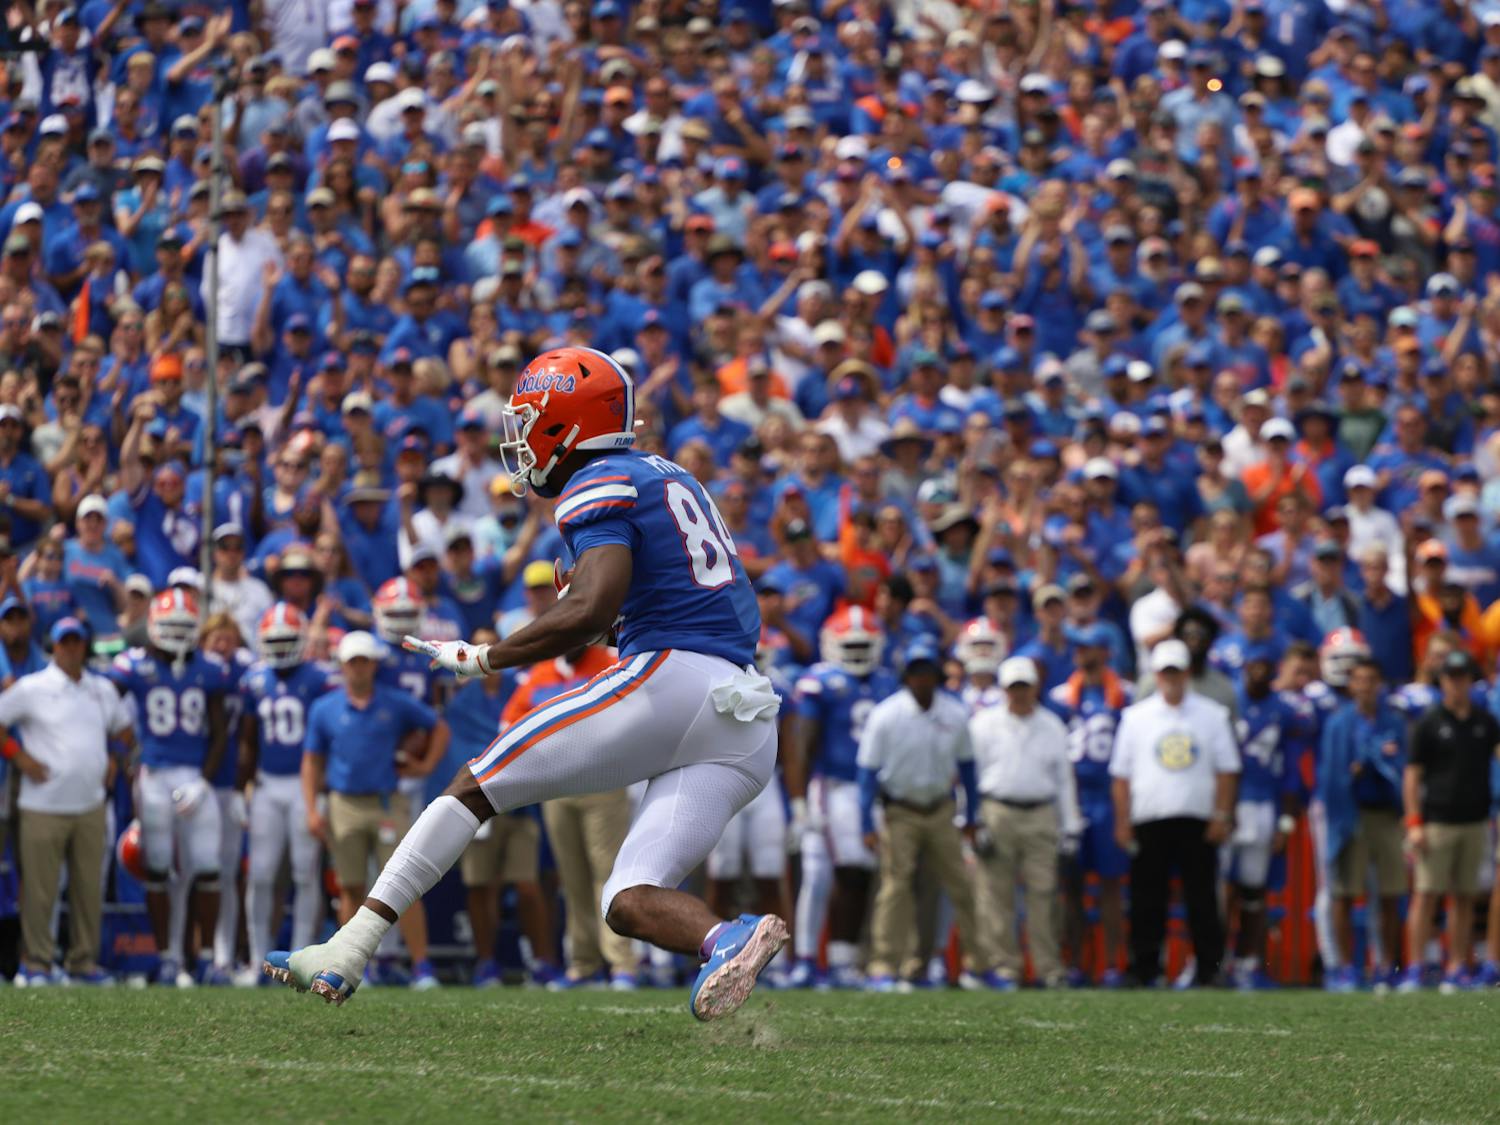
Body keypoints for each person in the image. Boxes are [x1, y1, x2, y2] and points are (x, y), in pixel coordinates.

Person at [267, 348, 784, 1023]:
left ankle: (349, 944)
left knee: (474, 784)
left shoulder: (599, 479)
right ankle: (728, 938)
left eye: (532, 420)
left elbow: (590, 608)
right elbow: (657, 599)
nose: (521, 438)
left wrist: (487, 656)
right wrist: (602, 620)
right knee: (627, 898)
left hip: (680, 679)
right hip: (745, 714)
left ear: (566, 426)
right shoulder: (665, 474)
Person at [300, 629, 449, 990]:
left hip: (386, 802)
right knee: (350, 887)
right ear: (343, 666)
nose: (359, 669)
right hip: (344, 803)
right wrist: (311, 808)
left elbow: (438, 728)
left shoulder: (394, 702)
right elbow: (312, 761)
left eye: (364, 661)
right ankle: (350, 965)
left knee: (405, 885)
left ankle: (422, 966)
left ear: (373, 665)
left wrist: (426, 766)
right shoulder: (325, 708)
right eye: (353, 662)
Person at [106, 589, 234, 985]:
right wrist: (126, 756)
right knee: (158, 868)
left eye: (184, 627)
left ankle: (208, 959)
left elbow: (219, 732)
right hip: (155, 775)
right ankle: (167, 958)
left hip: (194, 776)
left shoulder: (209, 669)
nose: (177, 635)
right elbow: (109, 711)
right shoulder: (133, 666)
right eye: (171, 626)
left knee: (209, 867)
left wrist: (204, 780)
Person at [0, 618, 135, 985]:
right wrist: (20, 757)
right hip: (42, 804)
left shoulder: (101, 689)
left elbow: (124, 731)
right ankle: (37, 963)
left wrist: (113, 758)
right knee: (41, 892)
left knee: (87, 889)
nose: (72, 648)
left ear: (85, 646)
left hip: (90, 803)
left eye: (77, 641)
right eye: (65, 641)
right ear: (54, 646)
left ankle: (83, 963)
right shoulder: (33, 688)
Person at [1109, 639, 1239, 988]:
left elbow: (1227, 770)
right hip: (1149, 818)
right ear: (1156, 674)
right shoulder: (1136, 717)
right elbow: (1121, 775)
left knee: (1202, 900)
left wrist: (1221, 816)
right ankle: (1145, 968)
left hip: (1197, 818)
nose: (1171, 678)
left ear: (1186, 673)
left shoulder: (1212, 715)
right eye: (1165, 671)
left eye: (1176, 671)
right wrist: (1122, 821)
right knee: (1146, 898)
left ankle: (1210, 969)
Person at [856, 638, 983, 992]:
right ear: (907, 676)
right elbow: (867, 773)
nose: (923, 678)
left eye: (928, 671)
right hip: (901, 811)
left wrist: (972, 816)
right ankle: (883, 965)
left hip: (942, 809)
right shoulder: (886, 715)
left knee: (960, 884)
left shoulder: (955, 713)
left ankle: (978, 964)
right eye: (916, 672)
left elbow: (969, 769)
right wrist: (866, 823)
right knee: (895, 887)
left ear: (937, 675)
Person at [787, 606, 899, 988]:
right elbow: (802, 743)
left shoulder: (886, 683)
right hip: (831, 786)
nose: (855, 652)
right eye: (848, 644)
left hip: (869, 790)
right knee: (820, 873)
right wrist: (800, 801)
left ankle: (841, 960)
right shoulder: (819, 680)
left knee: (859, 871)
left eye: (862, 644)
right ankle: (805, 960)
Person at [451, 628, 559, 990]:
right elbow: (460, 747)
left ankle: (543, 963)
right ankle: (486, 963)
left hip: (521, 801)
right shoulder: (463, 700)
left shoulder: (520, 685)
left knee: (527, 885)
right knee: (481, 886)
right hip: (482, 800)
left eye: (489, 645)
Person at [237, 602, 337, 985]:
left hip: (303, 786)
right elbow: (247, 739)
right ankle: (257, 961)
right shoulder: (254, 679)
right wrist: (237, 790)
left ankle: (297, 963)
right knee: (261, 875)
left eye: (286, 640)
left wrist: (322, 789)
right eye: (273, 640)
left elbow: (328, 738)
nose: (279, 648)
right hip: (265, 784)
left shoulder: (319, 677)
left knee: (305, 873)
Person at [969, 656, 1081, 989]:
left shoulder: (1052, 725)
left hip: (1040, 812)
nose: (1019, 693)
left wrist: (1070, 827)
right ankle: (1005, 967)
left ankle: (1047, 967)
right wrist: (974, 822)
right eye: (1013, 687)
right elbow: (969, 777)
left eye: (1024, 687)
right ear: (1004, 689)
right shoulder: (983, 724)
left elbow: (1064, 780)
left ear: (1035, 688)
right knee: (995, 893)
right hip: (997, 810)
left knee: (1044, 892)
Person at [1401, 651, 1500, 992]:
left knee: (1464, 897)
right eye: (1451, 676)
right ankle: (1416, 966)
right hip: (1437, 820)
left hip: (1475, 820)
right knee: (1427, 894)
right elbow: (1413, 775)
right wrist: (1414, 821)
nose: (1457, 683)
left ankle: (1457, 965)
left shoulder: (1485, 722)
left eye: (1462, 676)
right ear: (1442, 680)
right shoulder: (1429, 722)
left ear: (1470, 681)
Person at [1049, 622, 1134, 986]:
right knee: (1071, 886)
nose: (1081, 653)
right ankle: (1077, 963)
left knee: (1112, 885)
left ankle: (1114, 962)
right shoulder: (1060, 696)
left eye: (1089, 647)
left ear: (1106, 651)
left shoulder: (1126, 696)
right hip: (1071, 795)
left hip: (1108, 797)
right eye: (1078, 647)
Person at [1317, 656, 1407, 992]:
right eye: (1359, 680)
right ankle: (1342, 968)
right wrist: (1349, 776)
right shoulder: (1340, 724)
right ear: (1351, 685)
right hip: (1351, 812)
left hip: (1385, 813)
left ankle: (1387, 965)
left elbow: (1403, 767)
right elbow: (1329, 774)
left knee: (1390, 891)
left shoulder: (1392, 722)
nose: (1366, 687)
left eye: (1371, 680)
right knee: (1344, 892)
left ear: (1379, 685)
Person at [1222, 643, 1299, 990]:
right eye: (1253, 664)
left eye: (1264, 665)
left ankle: (1247, 962)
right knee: (1221, 887)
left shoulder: (1284, 710)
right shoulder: (1226, 703)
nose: (1258, 671)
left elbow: (1291, 772)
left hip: (1264, 805)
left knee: (1254, 889)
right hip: (1227, 803)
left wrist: (1286, 822)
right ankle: (1212, 959)